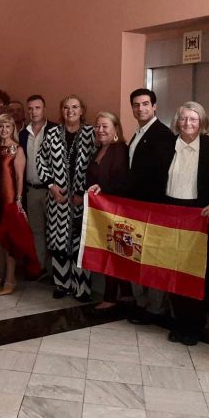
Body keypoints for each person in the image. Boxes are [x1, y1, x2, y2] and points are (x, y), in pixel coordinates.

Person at [163, 101, 209, 346]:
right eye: (183, 119)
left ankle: (195, 325)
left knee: (200, 273)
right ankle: (179, 321)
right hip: (171, 214)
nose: (187, 123)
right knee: (175, 270)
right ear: (177, 121)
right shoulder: (167, 146)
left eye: (193, 119)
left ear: (202, 123)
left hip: (200, 217)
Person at [37, 95, 96, 301]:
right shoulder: (52, 133)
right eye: (66, 107)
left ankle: (82, 288)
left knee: (80, 245)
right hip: (58, 200)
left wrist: (84, 192)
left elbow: (97, 166)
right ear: (61, 111)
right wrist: (51, 186)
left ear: (82, 110)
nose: (70, 111)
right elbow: (40, 160)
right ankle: (62, 284)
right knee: (59, 243)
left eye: (75, 107)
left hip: (82, 201)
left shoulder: (91, 133)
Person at [127, 88, 176, 325]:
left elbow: (158, 176)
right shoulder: (137, 134)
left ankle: (155, 308)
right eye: (136, 105)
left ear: (154, 106)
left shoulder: (163, 134)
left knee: (154, 259)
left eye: (145, 104)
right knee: (138, 257)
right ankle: (142, 303)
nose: (141, 109)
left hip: (154, 209)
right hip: (136, 208)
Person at [0, 114, 40, 296]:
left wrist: (18, 199)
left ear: (12, 129)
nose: (4, 130)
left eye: (7, 127)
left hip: (8, 198)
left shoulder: (17, 149)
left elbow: (18, 177)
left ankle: (10, 278)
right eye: (1, 126)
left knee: (9, 239)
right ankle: (0, 275)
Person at [86, 111, 131, 310]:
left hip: (115, 209)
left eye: (105, 126)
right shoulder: (99, 150)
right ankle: (127, 294)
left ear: (115, 129)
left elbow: (121, 180)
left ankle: (111, 297)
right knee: (111, 251)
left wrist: (103, 189)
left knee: (113, 252)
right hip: (101, 210)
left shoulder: (119, 149)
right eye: (98, 126)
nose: (100, 130)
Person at [19, 95, 56, 276]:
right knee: (36, 231)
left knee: (54, 231)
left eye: (37, 108)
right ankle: (39, 267)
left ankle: (56, 271)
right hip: (32, 189)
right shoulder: (23, 133)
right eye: (30, 108)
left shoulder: (56, 130)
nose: (34, 112)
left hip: (53, 190)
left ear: (44, 109)